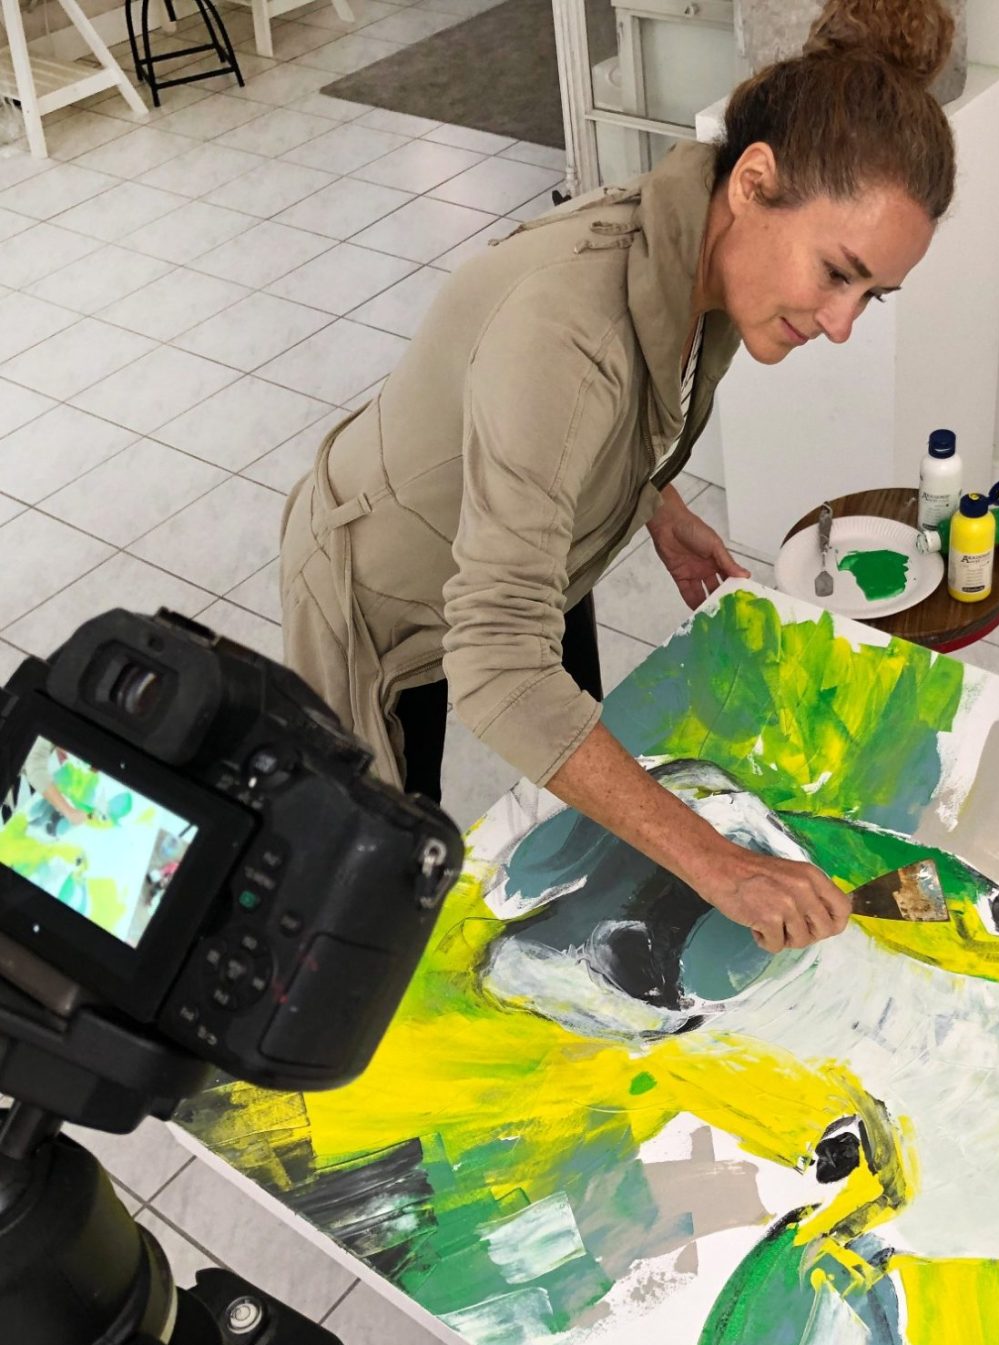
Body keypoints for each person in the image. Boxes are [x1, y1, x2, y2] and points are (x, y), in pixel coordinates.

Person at [278, 0, 957, 954]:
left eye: (870, 296)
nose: (841, 324)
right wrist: (722, 865)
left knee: (587, 789)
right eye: (836, 273)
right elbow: (496, 663)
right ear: (754, 182)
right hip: (378, 590)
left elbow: (608, 411)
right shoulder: (566, 331)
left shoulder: (705, 251)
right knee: (373, 891)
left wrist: (653, 500)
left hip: (520, 551)